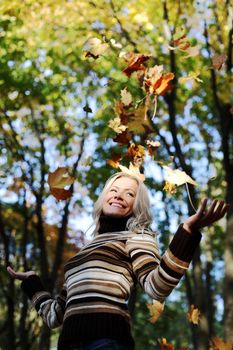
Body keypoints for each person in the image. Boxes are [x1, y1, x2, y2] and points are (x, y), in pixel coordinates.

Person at [7, 172, 228, 350]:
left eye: (129, 194)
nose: (119, 195)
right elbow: (55, 315)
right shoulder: (81, 257)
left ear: (136, 205)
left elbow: (156, 286)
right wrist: (33, 283)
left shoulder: (136, 238)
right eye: (113, 190)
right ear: (103, 198)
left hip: (107, 342)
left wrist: (186, 232)